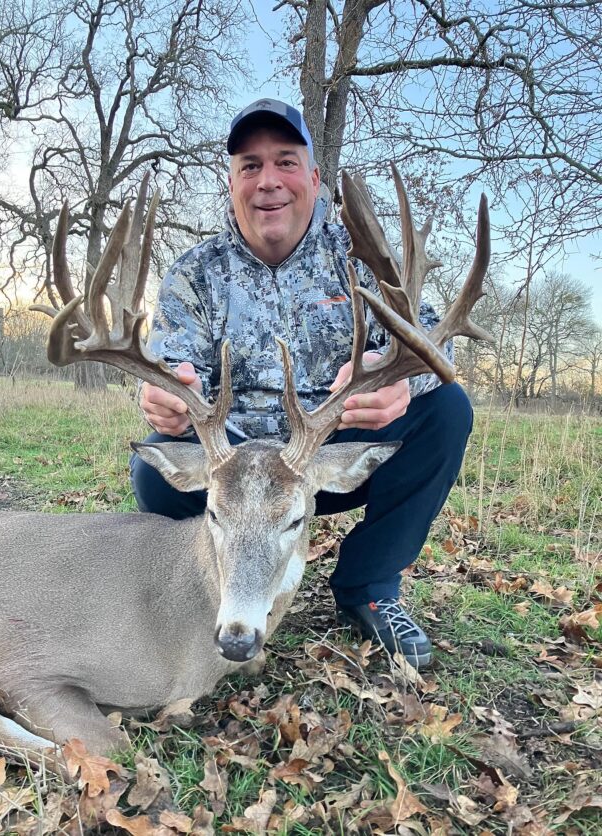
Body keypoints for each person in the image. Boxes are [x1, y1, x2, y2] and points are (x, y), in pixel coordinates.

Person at [131, 98, 473, 669]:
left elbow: (437, 345)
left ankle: (369, 585)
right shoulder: (196, 272)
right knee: (153, 470)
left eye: (285, 162)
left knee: (447, 411)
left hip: (325, 460)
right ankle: (216, 587)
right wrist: (160, 396)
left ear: (314, 178)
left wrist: (401, 388)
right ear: (233, 182)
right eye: (250, 166)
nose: (269, 182)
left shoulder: (362, 261)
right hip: (231, 466)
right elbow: (167, 362)